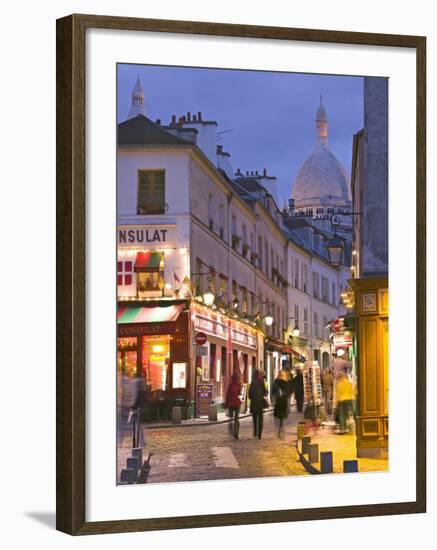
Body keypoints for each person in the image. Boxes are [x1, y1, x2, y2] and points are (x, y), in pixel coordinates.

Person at [249, 369, 268, 439]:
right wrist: (264, 393)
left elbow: (249, 393)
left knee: (254, 418)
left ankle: (255, 432)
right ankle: (259, 434)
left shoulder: (252, 381)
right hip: (260, 402)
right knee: (260, 418)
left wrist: (251, 397)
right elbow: (265, 392)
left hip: (254, 402)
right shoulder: (261, 381)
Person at [225, 372, 242, 439]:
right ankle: (236, 432)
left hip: (231, 403)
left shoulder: (230, 385)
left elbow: (228, 395)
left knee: (231, 418)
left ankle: (231, 431)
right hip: (237, 403)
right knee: (236, 418)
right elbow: (240, 394)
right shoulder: (239, 385)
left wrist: (226, 404)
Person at [272, 370, 290, 439]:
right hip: (284, 401)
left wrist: (274, 399)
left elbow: (273, 391)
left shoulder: (276, 381)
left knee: (278, 418)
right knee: (282, 418)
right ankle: (282, 433)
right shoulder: (285, 382)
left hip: (278, 401)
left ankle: (278, 432)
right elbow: (288, 392)